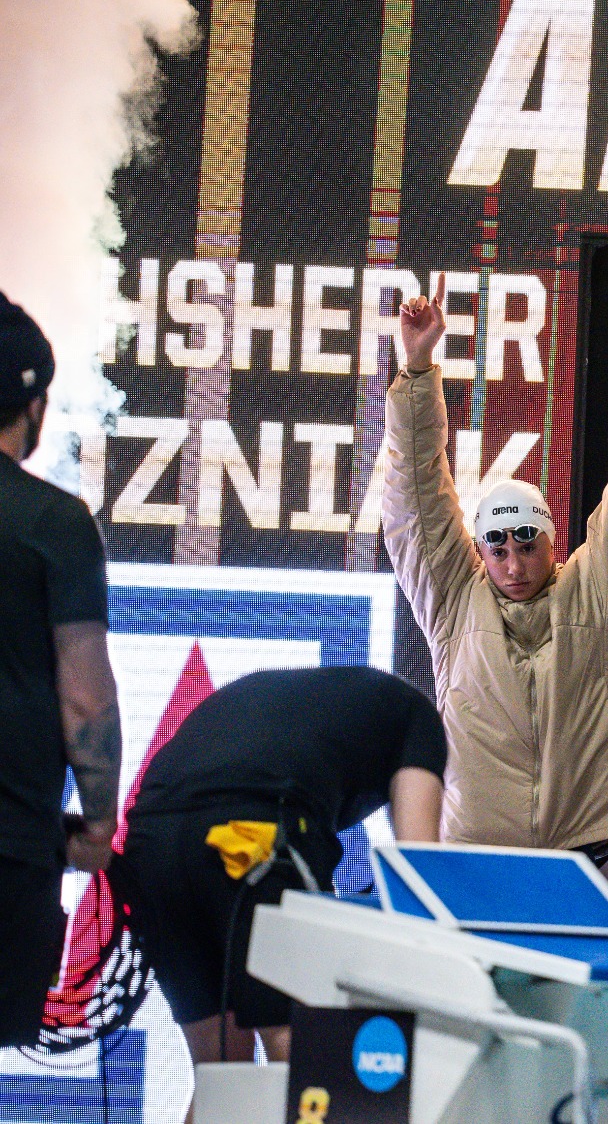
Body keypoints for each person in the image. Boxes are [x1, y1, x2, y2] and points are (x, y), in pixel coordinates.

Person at [382, 288, 608, 857]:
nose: (513, 566)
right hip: (476, 848)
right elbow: (414, 495)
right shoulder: (454, 604)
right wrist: (416, 369)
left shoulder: (593, 595)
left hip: (586, 845)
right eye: (498, 551)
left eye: (527, 546)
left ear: (552, 542)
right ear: (478, 551)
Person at [115, 665, 444, 1099]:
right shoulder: (420, 719)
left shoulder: (310, 698)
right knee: (303, 1058)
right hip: (252, 837)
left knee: (222, 1078)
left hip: (151, 843)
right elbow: (416, 868)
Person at [0, 292, 121, 1049]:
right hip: (10, 842)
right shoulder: (54, 523)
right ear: (34, 403)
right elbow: (85, 699)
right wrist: (99, 823)